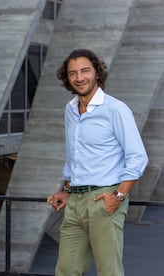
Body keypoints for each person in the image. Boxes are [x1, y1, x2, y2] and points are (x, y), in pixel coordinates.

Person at [46, 48, 148, 276]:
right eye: (73, 73)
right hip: (75, 203)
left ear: (97, 73)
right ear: (67, 78)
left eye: (85, 71)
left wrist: (118, 197)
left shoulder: (115, 109)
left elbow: (137, 157)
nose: (79, 78)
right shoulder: (70, 110)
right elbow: (75, 157)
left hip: (105, 199)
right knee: (66, 270)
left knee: (109, 272)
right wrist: (67, 190)